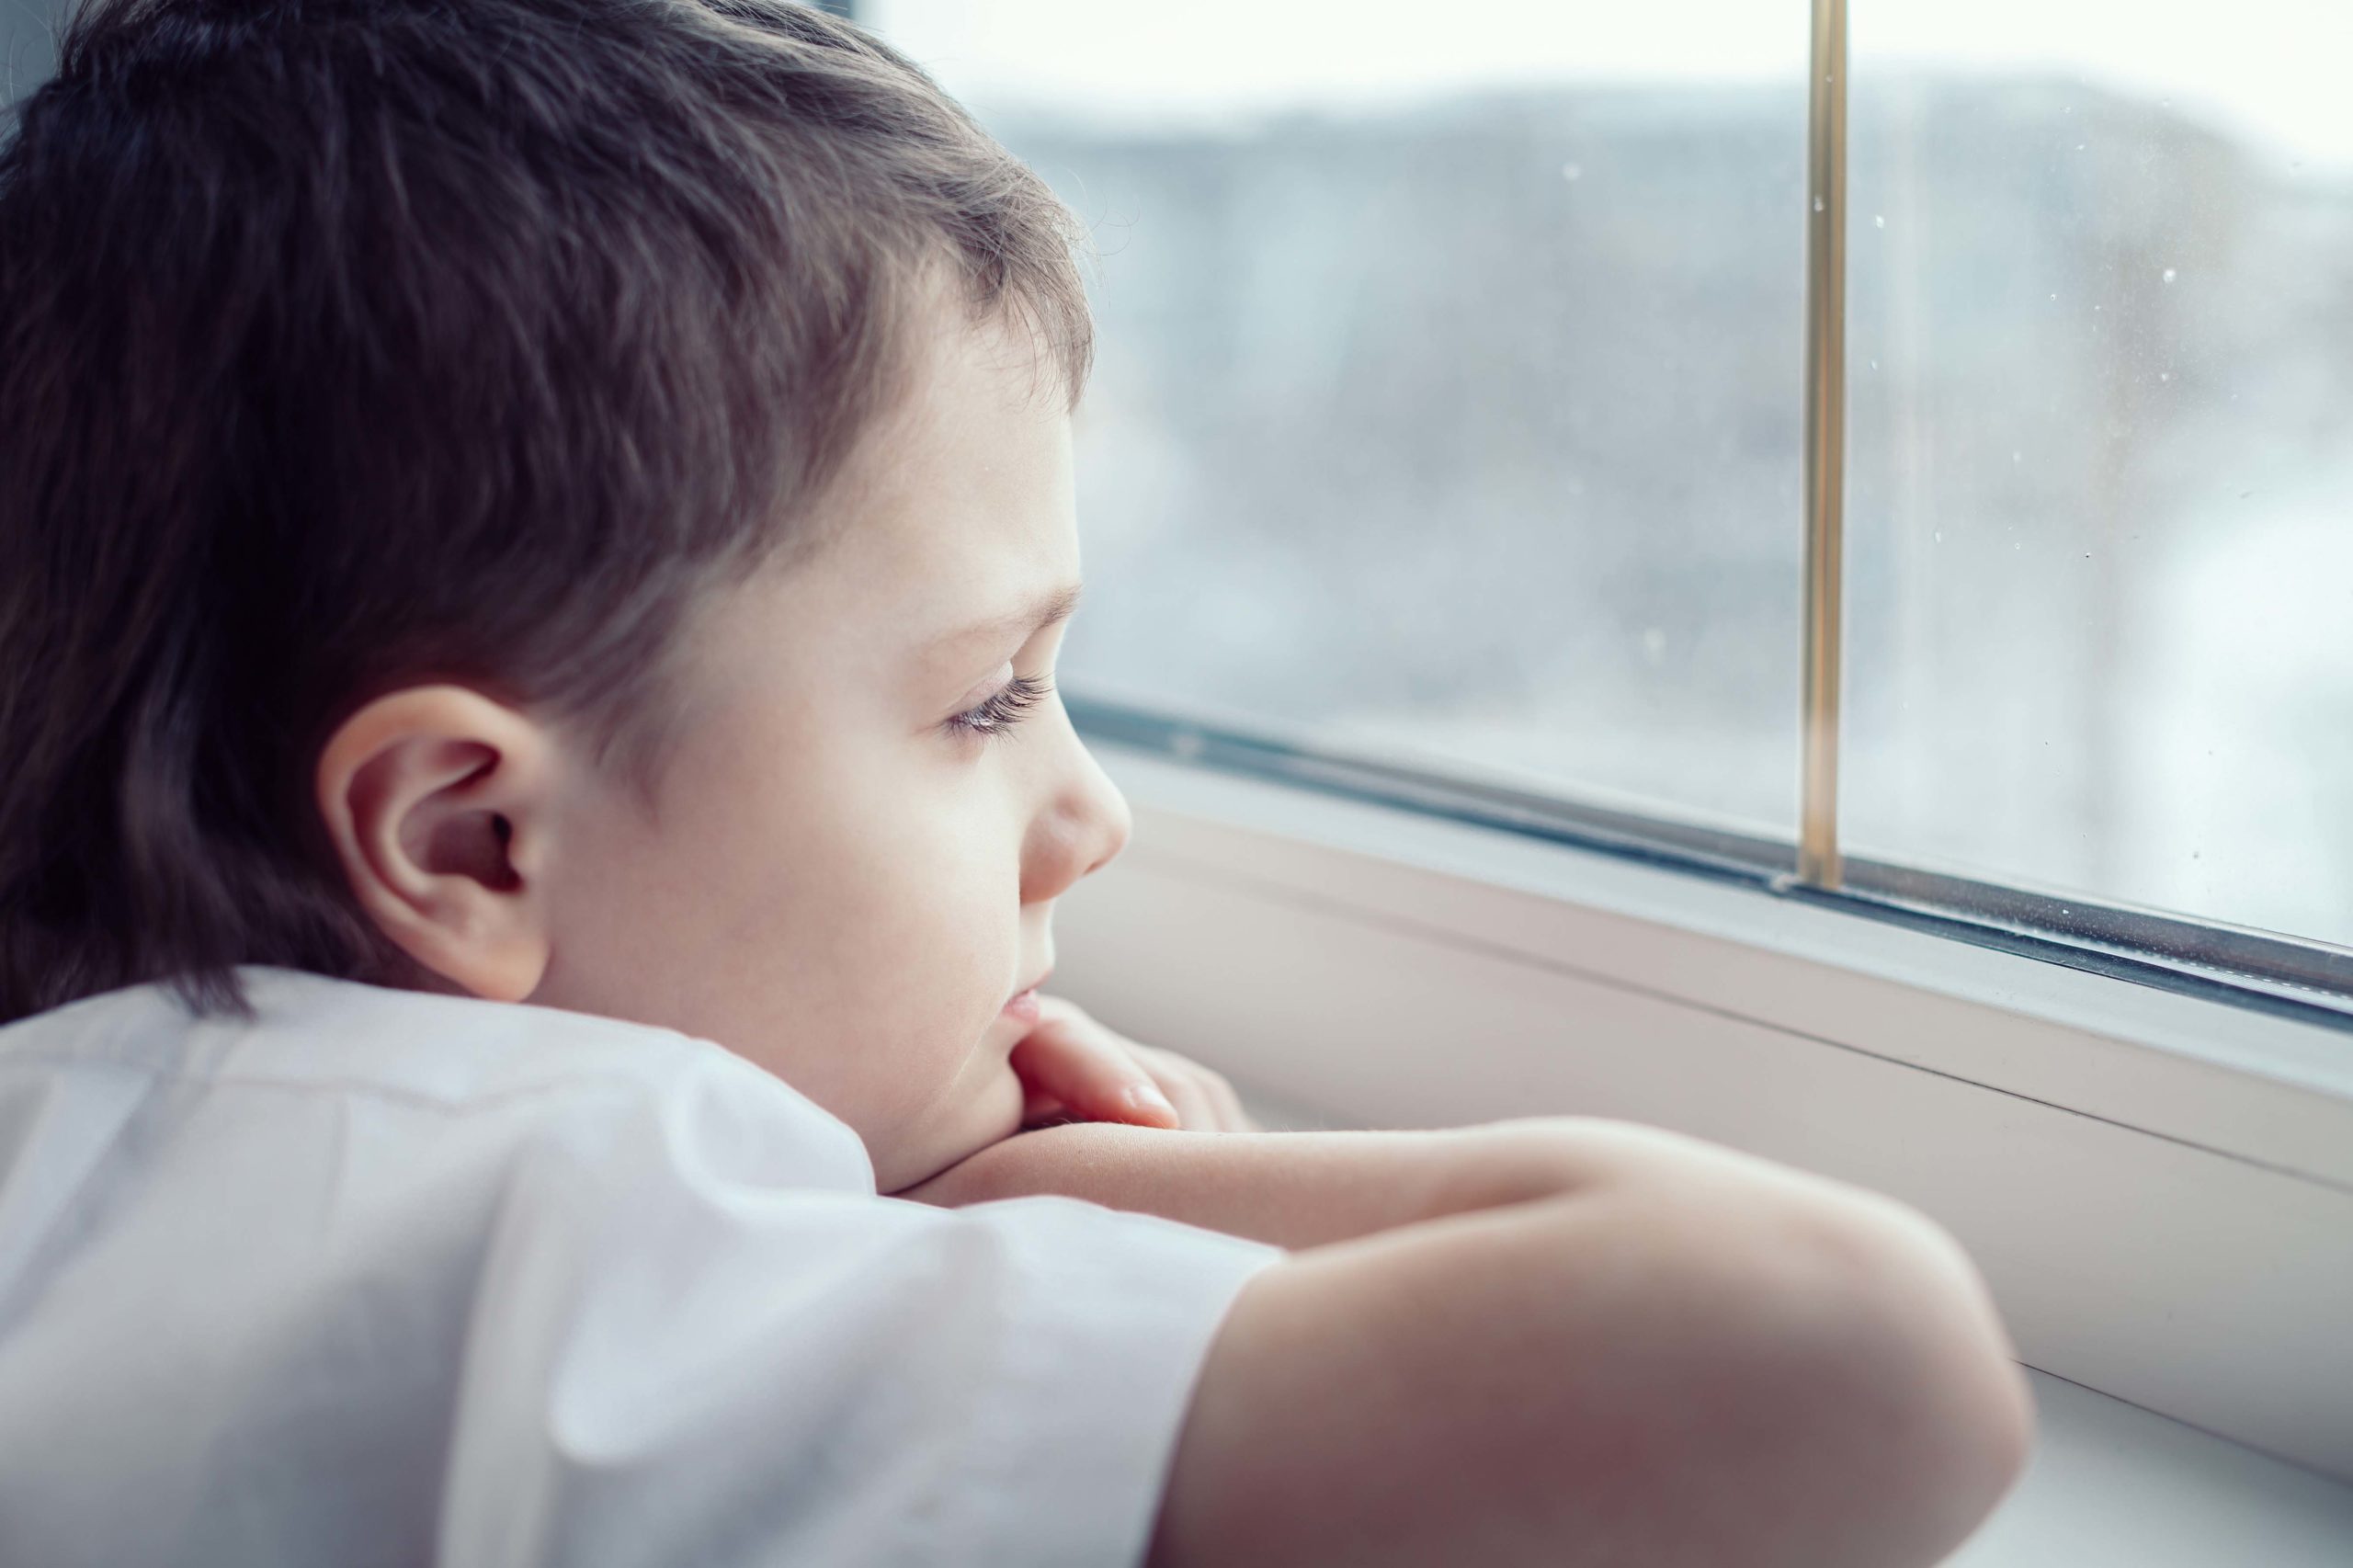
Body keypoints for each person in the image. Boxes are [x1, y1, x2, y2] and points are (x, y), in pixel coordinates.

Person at [0, 1, 2033, 1563]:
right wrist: (1034, 1189)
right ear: (472, 836)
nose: (1090, 816)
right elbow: (1843, 1347)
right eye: (986, 702)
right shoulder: (552, 1221)